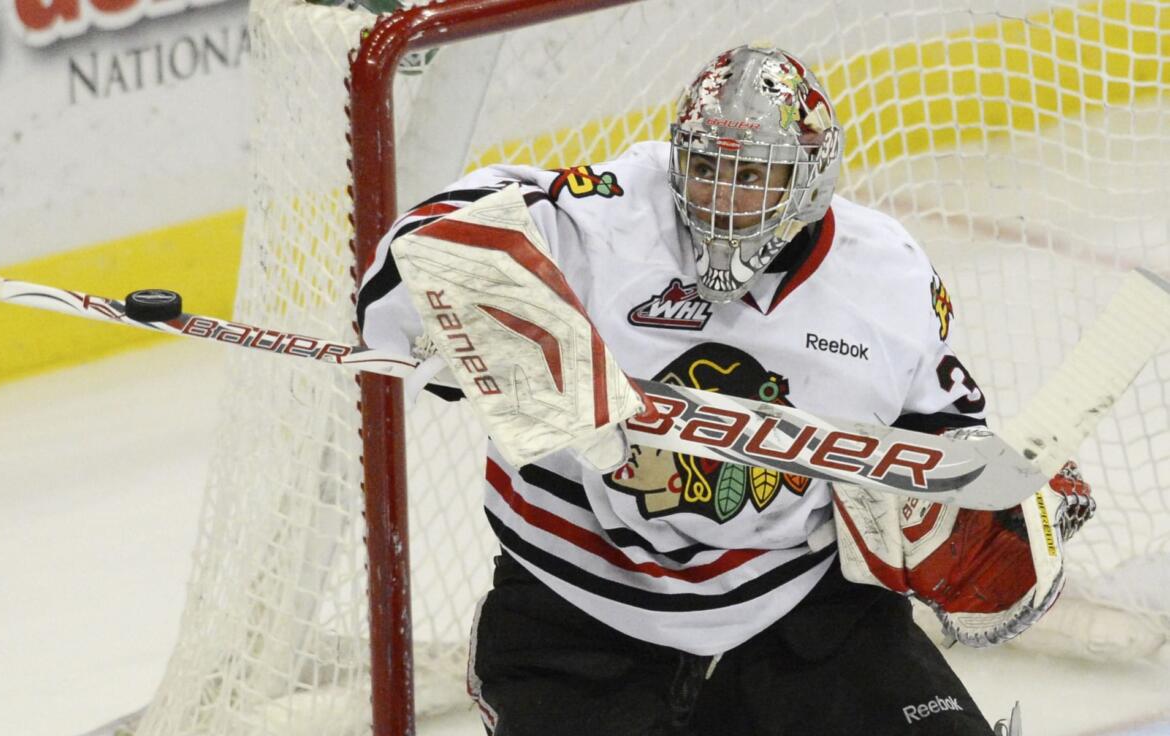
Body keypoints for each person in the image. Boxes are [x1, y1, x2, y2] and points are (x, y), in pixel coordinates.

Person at [358, 44, 1094, 736]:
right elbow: (422, 251)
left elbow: (945, 439)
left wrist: (1002, 514)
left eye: (752, 176)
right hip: (578, 613)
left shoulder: (888, 279)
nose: (722, 199)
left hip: (799, 610)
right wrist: (478, 319)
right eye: (707, 168)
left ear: (808, 180)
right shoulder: (610, 216)